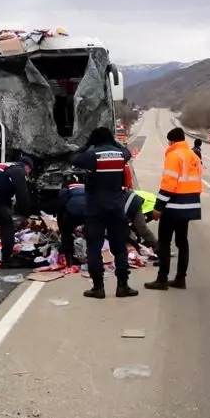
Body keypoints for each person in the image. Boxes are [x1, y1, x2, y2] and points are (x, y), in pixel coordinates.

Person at [71, 126, 137, 299]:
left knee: (94, 248)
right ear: (110, 139)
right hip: (116, 208)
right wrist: (115, 142)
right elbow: (127, 152)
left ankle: (98, 287)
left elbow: (74, 158)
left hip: (95, 209)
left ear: (95, 140)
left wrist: (87, 145)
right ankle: (123, 286)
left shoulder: (93, 156)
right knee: (119, 249)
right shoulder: (120, 155)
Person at [145, 127, 202, 291]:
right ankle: (180, 279)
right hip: (190, 205)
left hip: (173, 206)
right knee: (182, 242)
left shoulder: (173, 155)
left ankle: (162, 279)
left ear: (172, 141)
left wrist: (158, 207)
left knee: (164, 243)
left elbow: (169, 184)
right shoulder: (193, 156)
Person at [56, 174, 86, 269]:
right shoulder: (86, 188)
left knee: (66, 235)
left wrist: (61, 228)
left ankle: (69, 260)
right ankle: (90, 259)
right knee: (89, 236)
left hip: (71, 214)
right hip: (87, 213)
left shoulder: (65, 190)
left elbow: (60, 209)